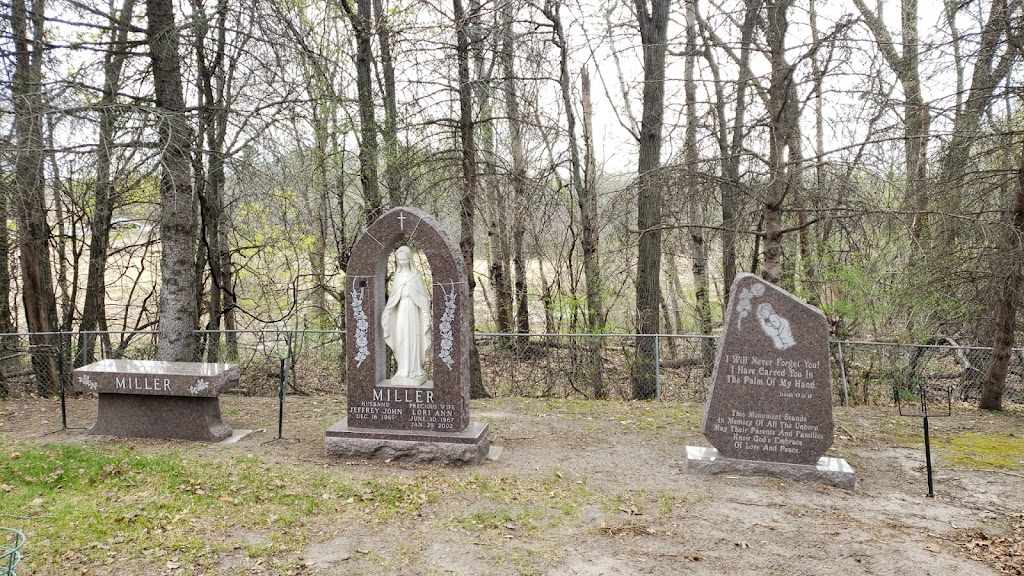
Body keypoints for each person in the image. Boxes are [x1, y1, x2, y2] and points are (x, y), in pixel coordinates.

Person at [381, 246, 432, 386]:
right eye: (400, 259)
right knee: (402, 338)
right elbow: (393, 296)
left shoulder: (415, 275)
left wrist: (425, 312)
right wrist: (388, 310)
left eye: (405, 259)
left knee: (413, 338)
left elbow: (422, 296)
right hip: (402, 310)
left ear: (410, 259)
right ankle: (403, 370)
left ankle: (414, 369)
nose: (402, 262)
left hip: (413, 311)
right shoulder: (398, 275)